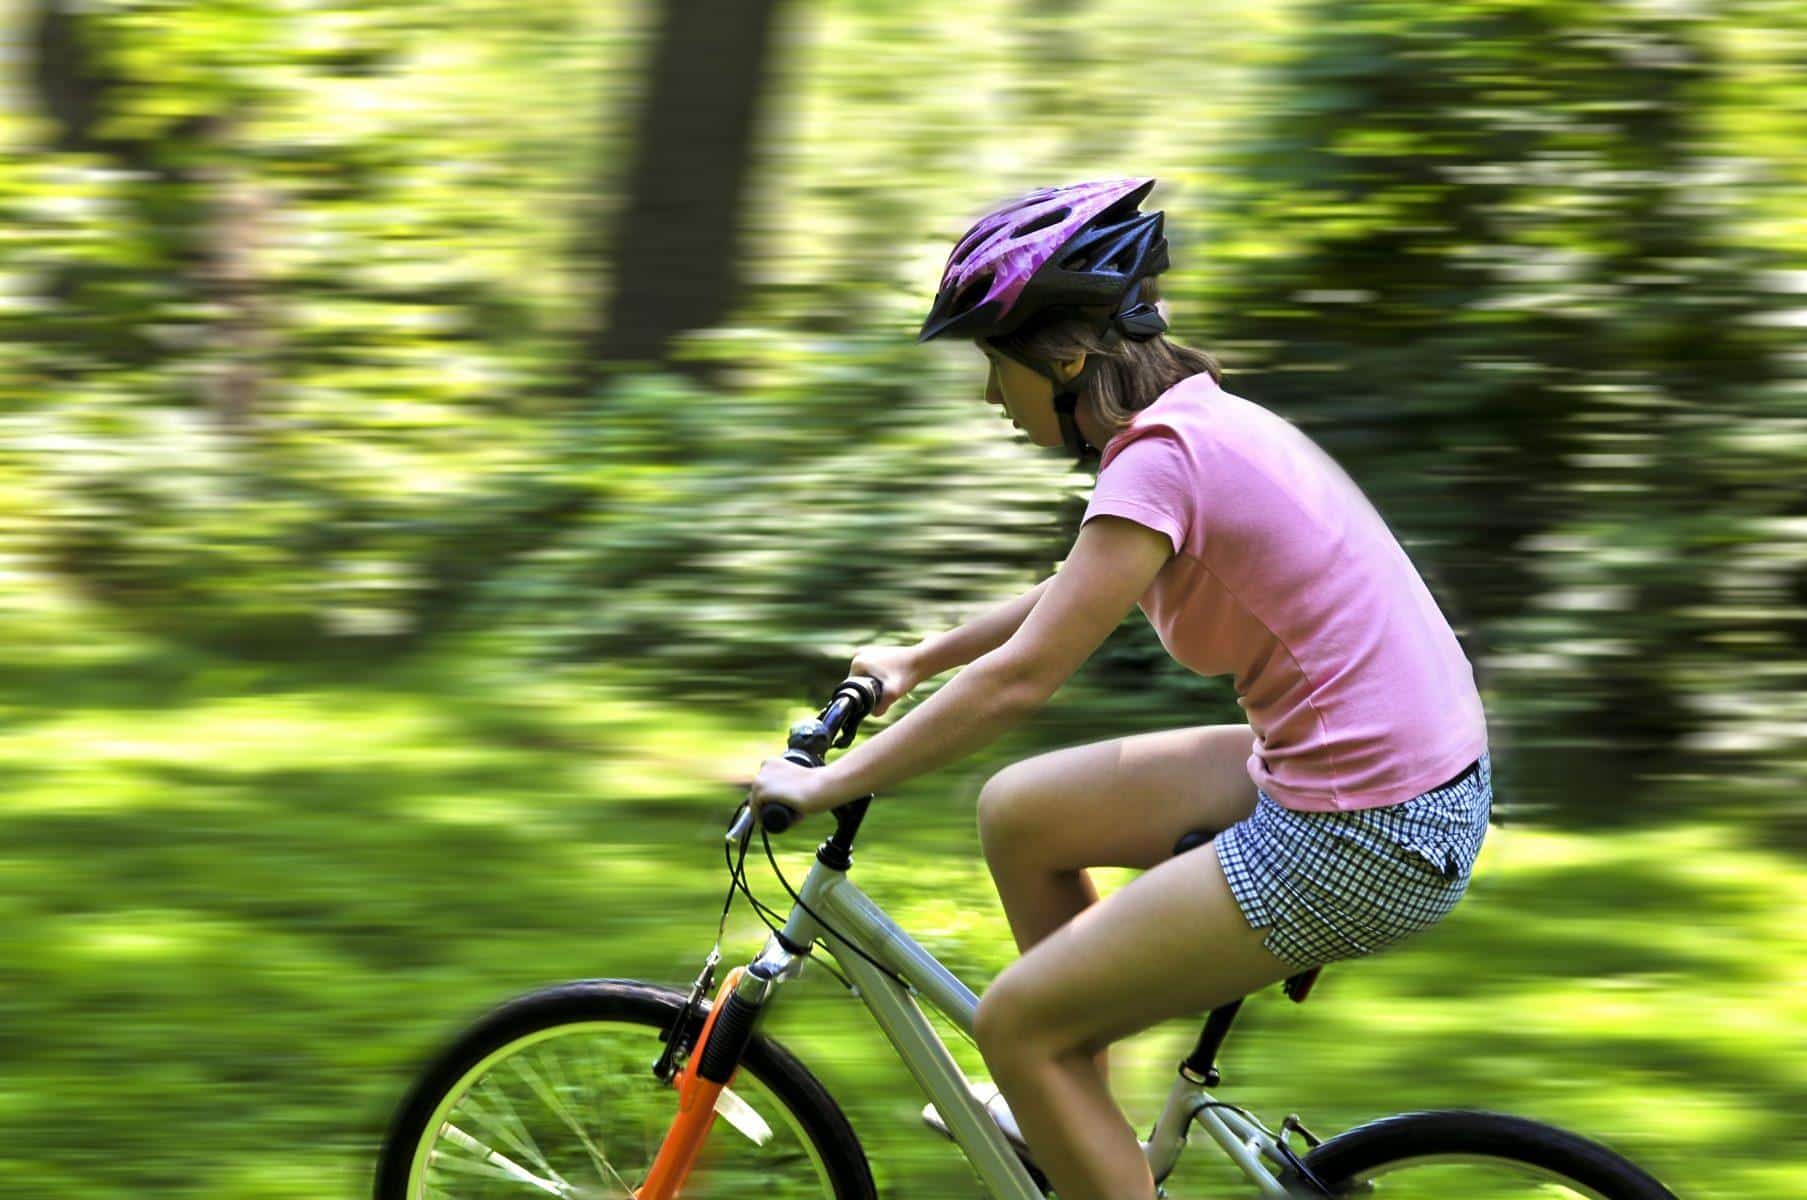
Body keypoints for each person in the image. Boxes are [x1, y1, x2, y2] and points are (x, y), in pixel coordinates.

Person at [748, 176, 1491, 1200]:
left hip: (1365, 831)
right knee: (1023, 810)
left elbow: (1024, 680)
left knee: (1015, 1022)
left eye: (991, 366)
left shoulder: (1161, 461)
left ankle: (1045, 1071)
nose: (986, 396)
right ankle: (1063, 1110)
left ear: (1062, 357)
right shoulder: (1196, 429)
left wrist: (828, 785)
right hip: (1391, 784)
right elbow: (1072, 594)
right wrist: (918, 662)